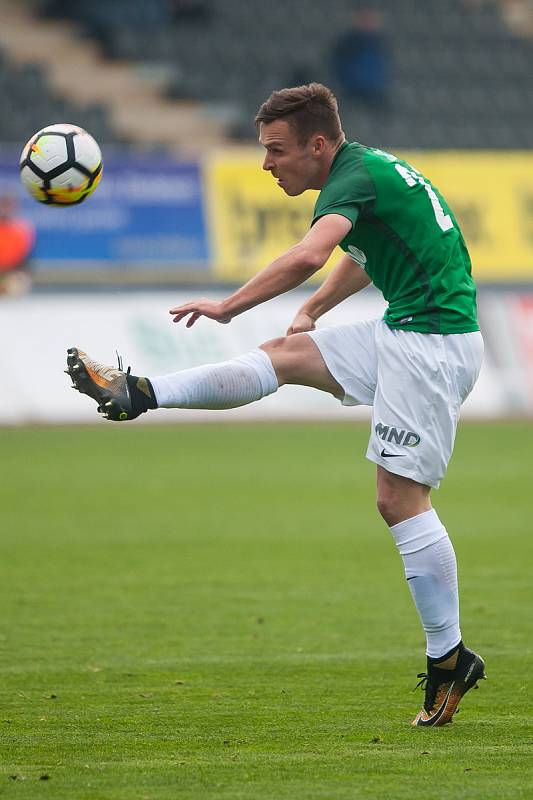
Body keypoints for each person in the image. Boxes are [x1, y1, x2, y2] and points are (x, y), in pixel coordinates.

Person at [66, 82, 486, 727]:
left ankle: (449, 657)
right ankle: (141, 393)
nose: (266, 164)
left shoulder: (352, 178)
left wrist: (226, 304)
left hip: (431, 346)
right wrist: (316, 308)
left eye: (276, 150)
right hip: (411, 331)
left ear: (317, 145)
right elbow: (370, 252)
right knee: (283, 355)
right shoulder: (365, 172)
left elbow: (312, 252)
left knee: (399, 501)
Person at [0, 194, 35, 297]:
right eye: (4, 206)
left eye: (9, 206)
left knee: (15, 287)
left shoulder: (22, 229)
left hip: (13, 273)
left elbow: (26, 258)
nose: (6, 209)